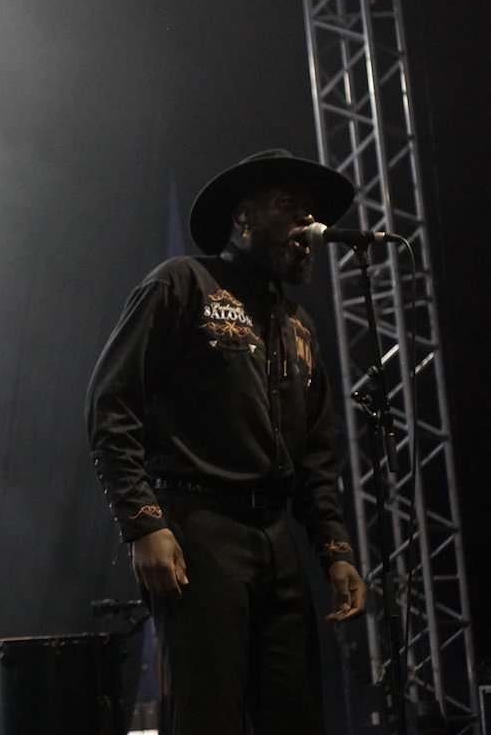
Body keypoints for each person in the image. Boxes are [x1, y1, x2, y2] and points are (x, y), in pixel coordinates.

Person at [85, 150, 367, 734]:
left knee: (296, 713)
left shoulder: (298, 324)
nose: (308, 225)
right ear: (243, 220)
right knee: (209, 715)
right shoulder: (184, 283)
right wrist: (143, 522)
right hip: (199, 527)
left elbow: (317, 452)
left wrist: (334, 549)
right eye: (291, 207)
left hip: (275, 538)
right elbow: (112, 404)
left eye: (312, 212)